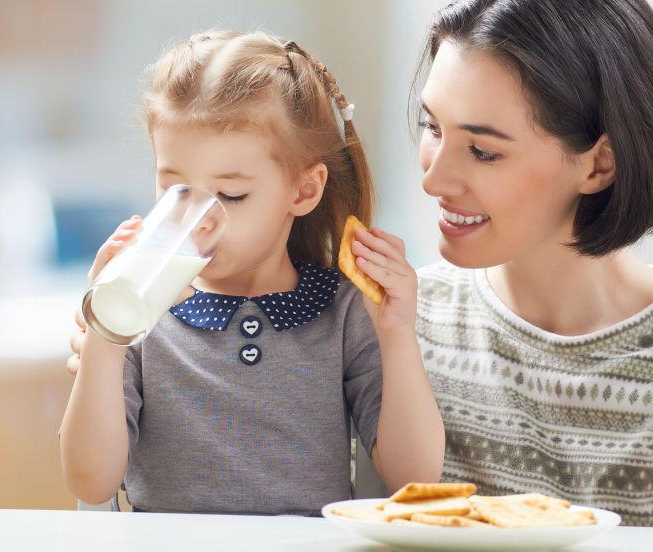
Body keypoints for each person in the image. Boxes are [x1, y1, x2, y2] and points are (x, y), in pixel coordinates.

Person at [60, 30, 444, 515]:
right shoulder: (141, 309)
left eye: (232, 195)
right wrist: (105, 338)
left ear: (304, 191)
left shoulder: (342, 310)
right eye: (175, 190)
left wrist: (396, 335)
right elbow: (91, 483)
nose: (198, 220)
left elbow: (416, 477)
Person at [411, 0, 653, 528]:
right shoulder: (406, 323)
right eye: (432, 128)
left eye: (483, 151)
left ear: (600, 163)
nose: (433, 180)